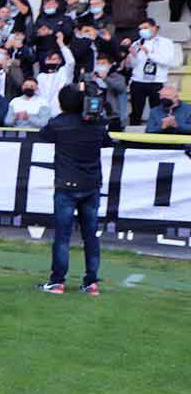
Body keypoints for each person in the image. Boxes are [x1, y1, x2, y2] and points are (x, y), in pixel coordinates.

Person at [36, 85, 112, 296]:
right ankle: (91, 283)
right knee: (91, 236)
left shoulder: (59, 124)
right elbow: (107, 141)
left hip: (66, 186)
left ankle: (57, 281)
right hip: (91, 186)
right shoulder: (97, 123)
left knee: (62, 236)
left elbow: (43, 135)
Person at [126, 19, 176, 126]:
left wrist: (149, 54)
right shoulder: (137, 43)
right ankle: (133, 135)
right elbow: (133, 65)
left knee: (157, 111)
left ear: (154, 28)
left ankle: (157, 134)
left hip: (156, 81)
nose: (142, 31)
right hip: (138, 81)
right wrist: (133, 56)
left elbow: (167, 61)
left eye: (145, 28)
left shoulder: (166, 43)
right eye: (140, 29)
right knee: (136, 111)